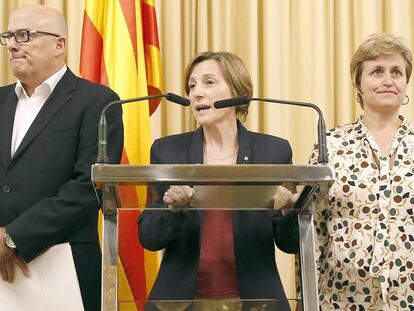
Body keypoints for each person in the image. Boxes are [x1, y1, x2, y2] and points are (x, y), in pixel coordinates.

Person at [138, 51, 299, 310]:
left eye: (209, 82)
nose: (196, 93)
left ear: (237, 91)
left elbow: (290, 243)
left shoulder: (273, 151)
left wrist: (286, 211)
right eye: (192, 85)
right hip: (180, 303)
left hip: (257, 302)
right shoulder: (168, 151)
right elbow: (149, 237)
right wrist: (173, 211)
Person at [0, 5, 123, 311]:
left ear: (59, 44)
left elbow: (88, 187)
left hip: (64, 265)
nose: (13, 44)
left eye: (24, 35)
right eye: (8, 36)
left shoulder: (98, 102)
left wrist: (12, 238)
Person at [310, 33, 414, 310]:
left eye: (397, 72)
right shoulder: (329, 146)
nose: (388, 80)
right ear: (358, 83)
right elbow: (312, 230)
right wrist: (307, 299)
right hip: (341, 301)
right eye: (376, 71)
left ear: (406, 82)